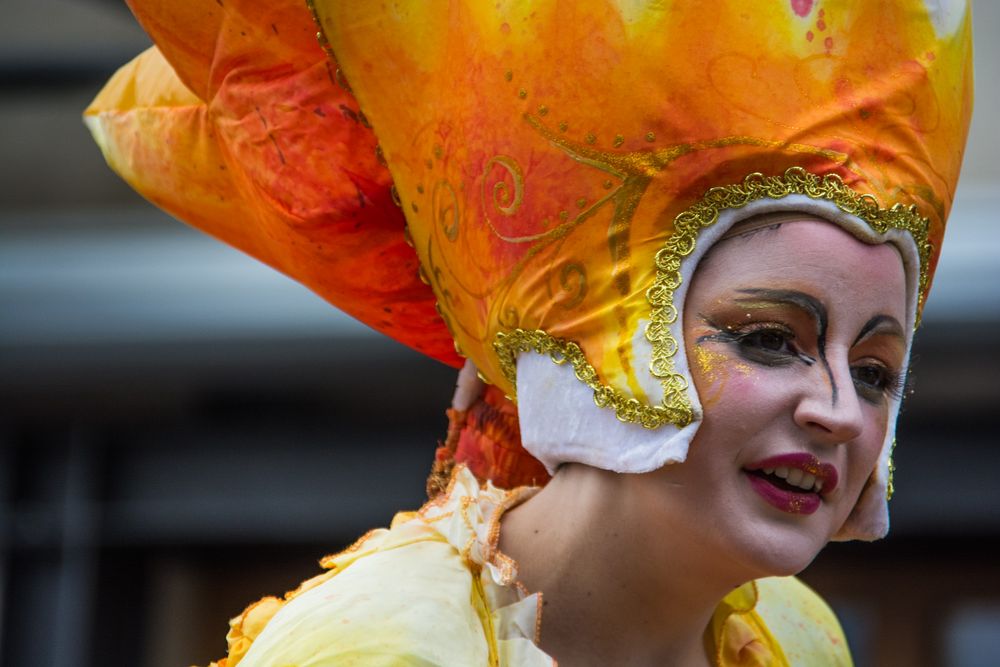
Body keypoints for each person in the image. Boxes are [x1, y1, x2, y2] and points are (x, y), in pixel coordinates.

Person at [85, 1, 973, 664]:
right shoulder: (380, 649)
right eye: (769, 337)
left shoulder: (795, 637)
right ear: (606, 342)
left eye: (874, 369)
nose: (839, 413)